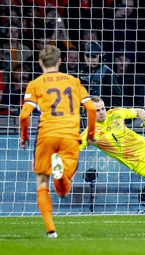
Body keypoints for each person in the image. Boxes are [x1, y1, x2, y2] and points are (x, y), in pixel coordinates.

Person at [19, 45, 97, 237]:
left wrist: (24, 136)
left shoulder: (35, 84)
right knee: (63, 192)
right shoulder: (74, 81)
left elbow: (24, 115)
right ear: (60, 62)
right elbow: (92, 109)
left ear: (40, 62)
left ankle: (51, 230)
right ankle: (60, 172)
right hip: (70, 136)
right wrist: (91, 134)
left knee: (42, 183)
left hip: (47, 135)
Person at [79, 42, 122, 107]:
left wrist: (97, 103)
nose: (90, 60)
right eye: (88, 56)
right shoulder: (82, 72)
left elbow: (117, 100)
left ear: (100, 57)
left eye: (94, 56)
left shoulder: (108, 74)